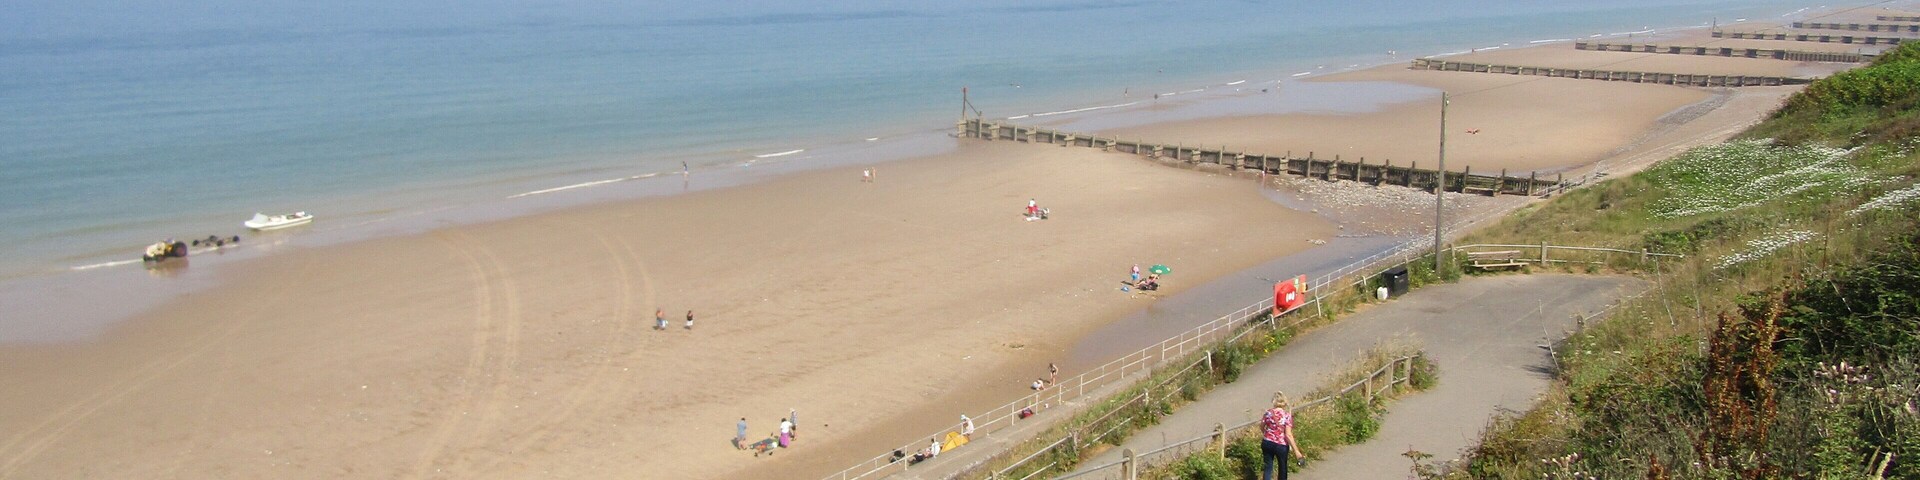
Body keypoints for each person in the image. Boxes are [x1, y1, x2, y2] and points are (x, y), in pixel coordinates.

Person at [1261, 391, 1305, 480]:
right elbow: (1288, 434)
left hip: (1267, 442)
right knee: (1282, 468)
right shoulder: (1286, 416)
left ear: (1274, 401)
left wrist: (1268, 435)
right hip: (1281, 445)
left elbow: (1262, 426)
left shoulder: (1268, 413)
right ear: (1284, 402)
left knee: (1268, 466)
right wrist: (1296, 450)